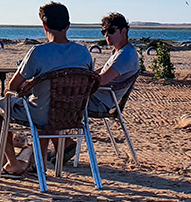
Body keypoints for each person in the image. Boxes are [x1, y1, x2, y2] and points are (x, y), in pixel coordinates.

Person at [0, 2, 93, 177]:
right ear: (68, 25)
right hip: (73, 114)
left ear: (44, 25)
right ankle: (40, 161)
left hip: (41, 114)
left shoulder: (38, 52)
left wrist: (30, 85)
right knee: (48, 101)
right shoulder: (83, 53)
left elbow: (12, 87)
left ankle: (13, 163)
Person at [49, 12, 140, 165]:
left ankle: (63, 144)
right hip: (101, 97)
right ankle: (61, 144)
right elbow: (100, 73)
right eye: (103, 32)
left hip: (101, 101)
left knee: (50, 102)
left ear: (123, 31)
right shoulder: (119, 52)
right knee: (51, 98)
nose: (107, 35)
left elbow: (102, 80)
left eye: (111, 31)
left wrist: (77, 83)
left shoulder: (126, 55)